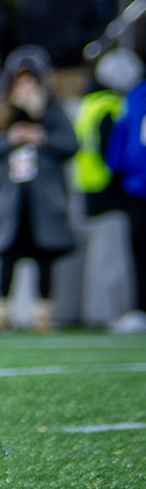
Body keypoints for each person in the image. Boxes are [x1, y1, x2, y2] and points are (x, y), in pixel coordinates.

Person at [0, 46, 77, 331]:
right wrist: (10, 138)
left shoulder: (52, 109)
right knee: (7, 252)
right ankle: (1, 310)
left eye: (31, 80)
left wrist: (42, 133)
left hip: (43, 197)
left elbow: (71, 145)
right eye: (21, 80)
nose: (27, 86)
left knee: (44, 252)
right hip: (10, 196)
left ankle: (42, 312)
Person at [74, 48, 142, 218]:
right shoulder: (111, 105)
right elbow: (113, 148)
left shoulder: (91, 101)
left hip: (88, 180)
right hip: (107, 183)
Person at [106, 68, 146, 330]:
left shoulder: (135, 96)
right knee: (140, 252)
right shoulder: (136, 96)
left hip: (136, 183)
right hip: (137, 187)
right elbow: (122, 139)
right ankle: (141, 309)